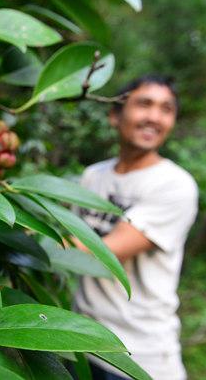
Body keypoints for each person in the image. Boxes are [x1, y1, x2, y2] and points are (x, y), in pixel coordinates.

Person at [71, 75, 199, 380]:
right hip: (79, 342)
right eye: (144, 104)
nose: (154, 117)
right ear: (115, 114)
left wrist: (20, 230)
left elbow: (100, 253)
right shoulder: (93, 176)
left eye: (166, 109)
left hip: (139, 355)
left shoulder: (175, 185)